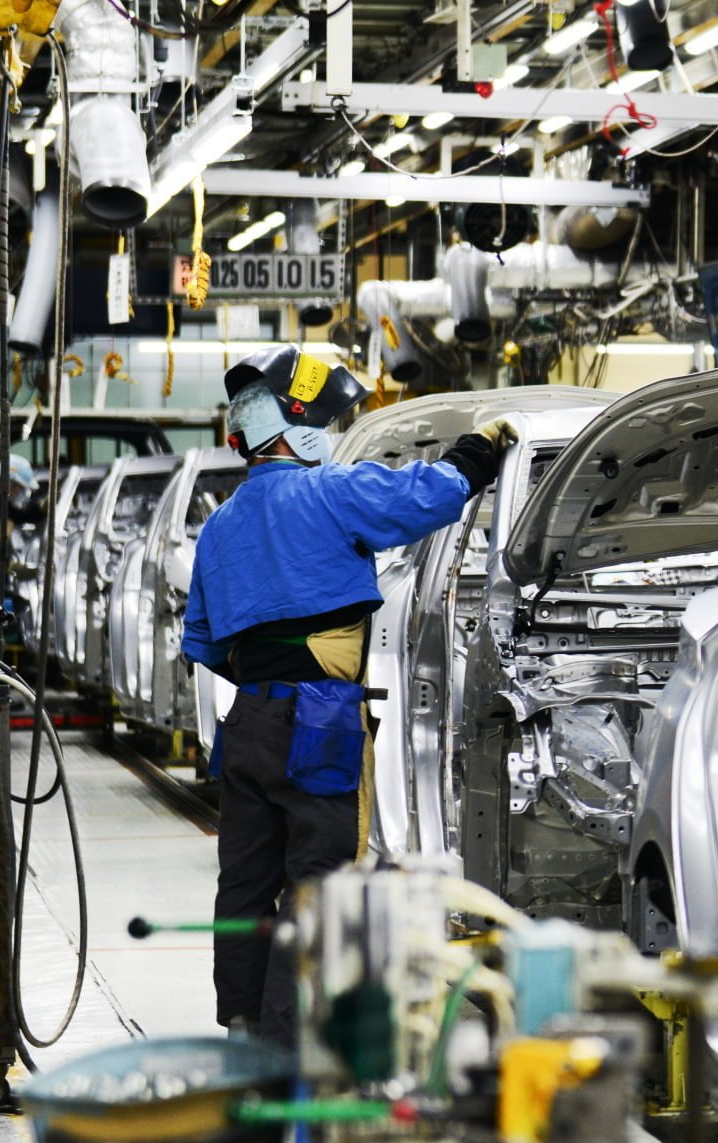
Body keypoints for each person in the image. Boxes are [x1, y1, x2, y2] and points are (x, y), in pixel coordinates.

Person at [182, 346, 513, 1044]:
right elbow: (432, 496)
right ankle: (289, 1046)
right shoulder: (331, 491)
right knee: (319, 886)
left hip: (247, 721)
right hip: (320, 720)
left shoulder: (219, 526)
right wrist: (479, 449)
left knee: (244, 881)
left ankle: (244, 1026)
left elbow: (206, 642)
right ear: (300, 428)